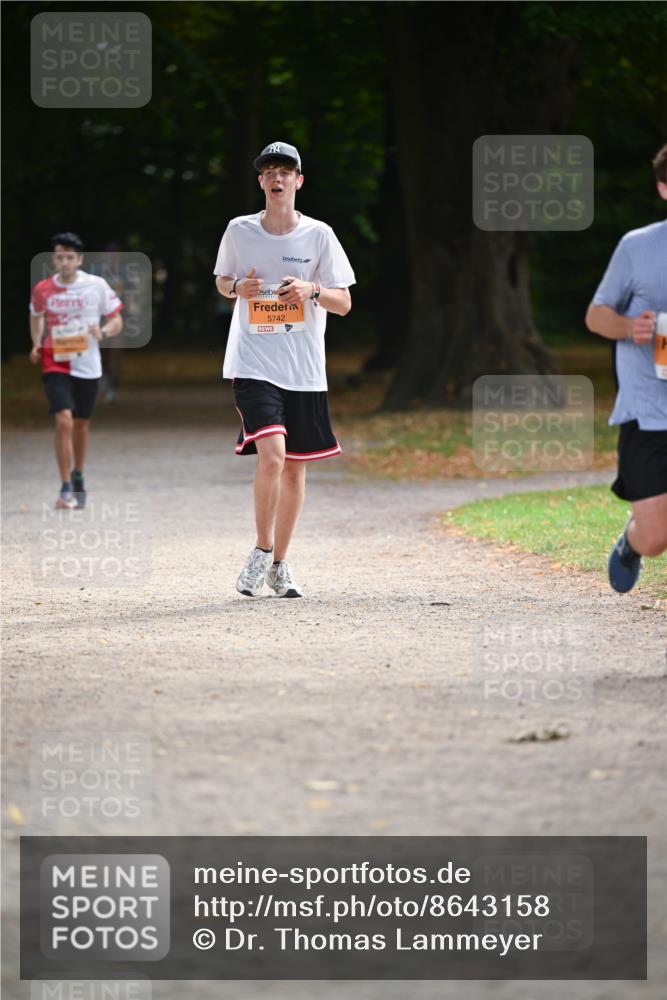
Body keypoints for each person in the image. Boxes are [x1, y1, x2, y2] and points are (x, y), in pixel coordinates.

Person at [214, 141, 355, 598]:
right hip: (254, 361)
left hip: (304, 366)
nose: (277, 178)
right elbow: (221, 281)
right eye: (269, 171)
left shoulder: (319, 235)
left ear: (298, 181)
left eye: (285, 171)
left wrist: (312, 290)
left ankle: (280, 564)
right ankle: (259, 551)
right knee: (272, 456)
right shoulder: (239, 230)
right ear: (260, 181)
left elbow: (344, 302)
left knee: (295, 469)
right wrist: (238, 286)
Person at [585, 143, 667, 593]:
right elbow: (596, 316)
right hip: (649, 410)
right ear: (662, 188)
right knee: (657, 538)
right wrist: (629, 327)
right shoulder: (637, 247)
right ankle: (632, 542)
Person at [29, 232, 123, 509]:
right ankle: (65, 486)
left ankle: (78, 475)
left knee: (81, 424)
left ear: (79, 259)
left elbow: (116, 319)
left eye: (70, 257)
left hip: (87, 364)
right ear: (54, 260)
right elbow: (35, 315)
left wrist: (103, 330)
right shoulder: (43, 289)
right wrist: (36, 343)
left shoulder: (96, 286)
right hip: (55, 361)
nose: (65, 262)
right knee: (63, 420)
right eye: (60, 257)